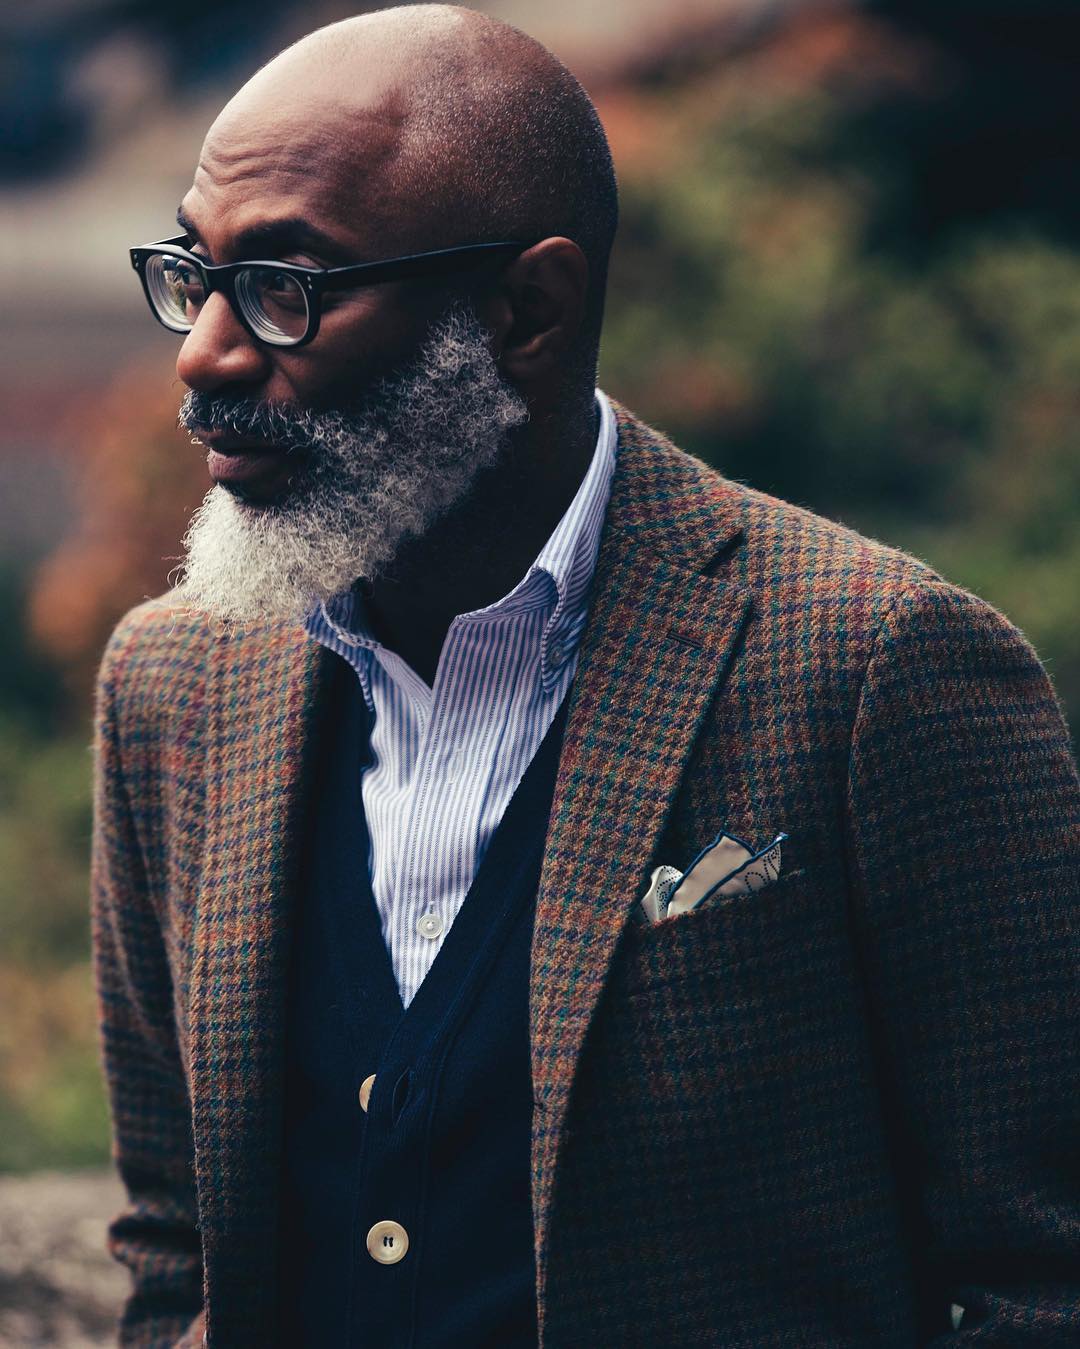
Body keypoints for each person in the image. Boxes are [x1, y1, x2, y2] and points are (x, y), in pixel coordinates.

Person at [92, 6, 1080, 1346]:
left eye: (287, 288)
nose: (203, 352)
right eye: (193, 275)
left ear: (527, 312)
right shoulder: (168, 687)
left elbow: (1040, 1275)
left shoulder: (883, 669)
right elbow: (177, 1247)